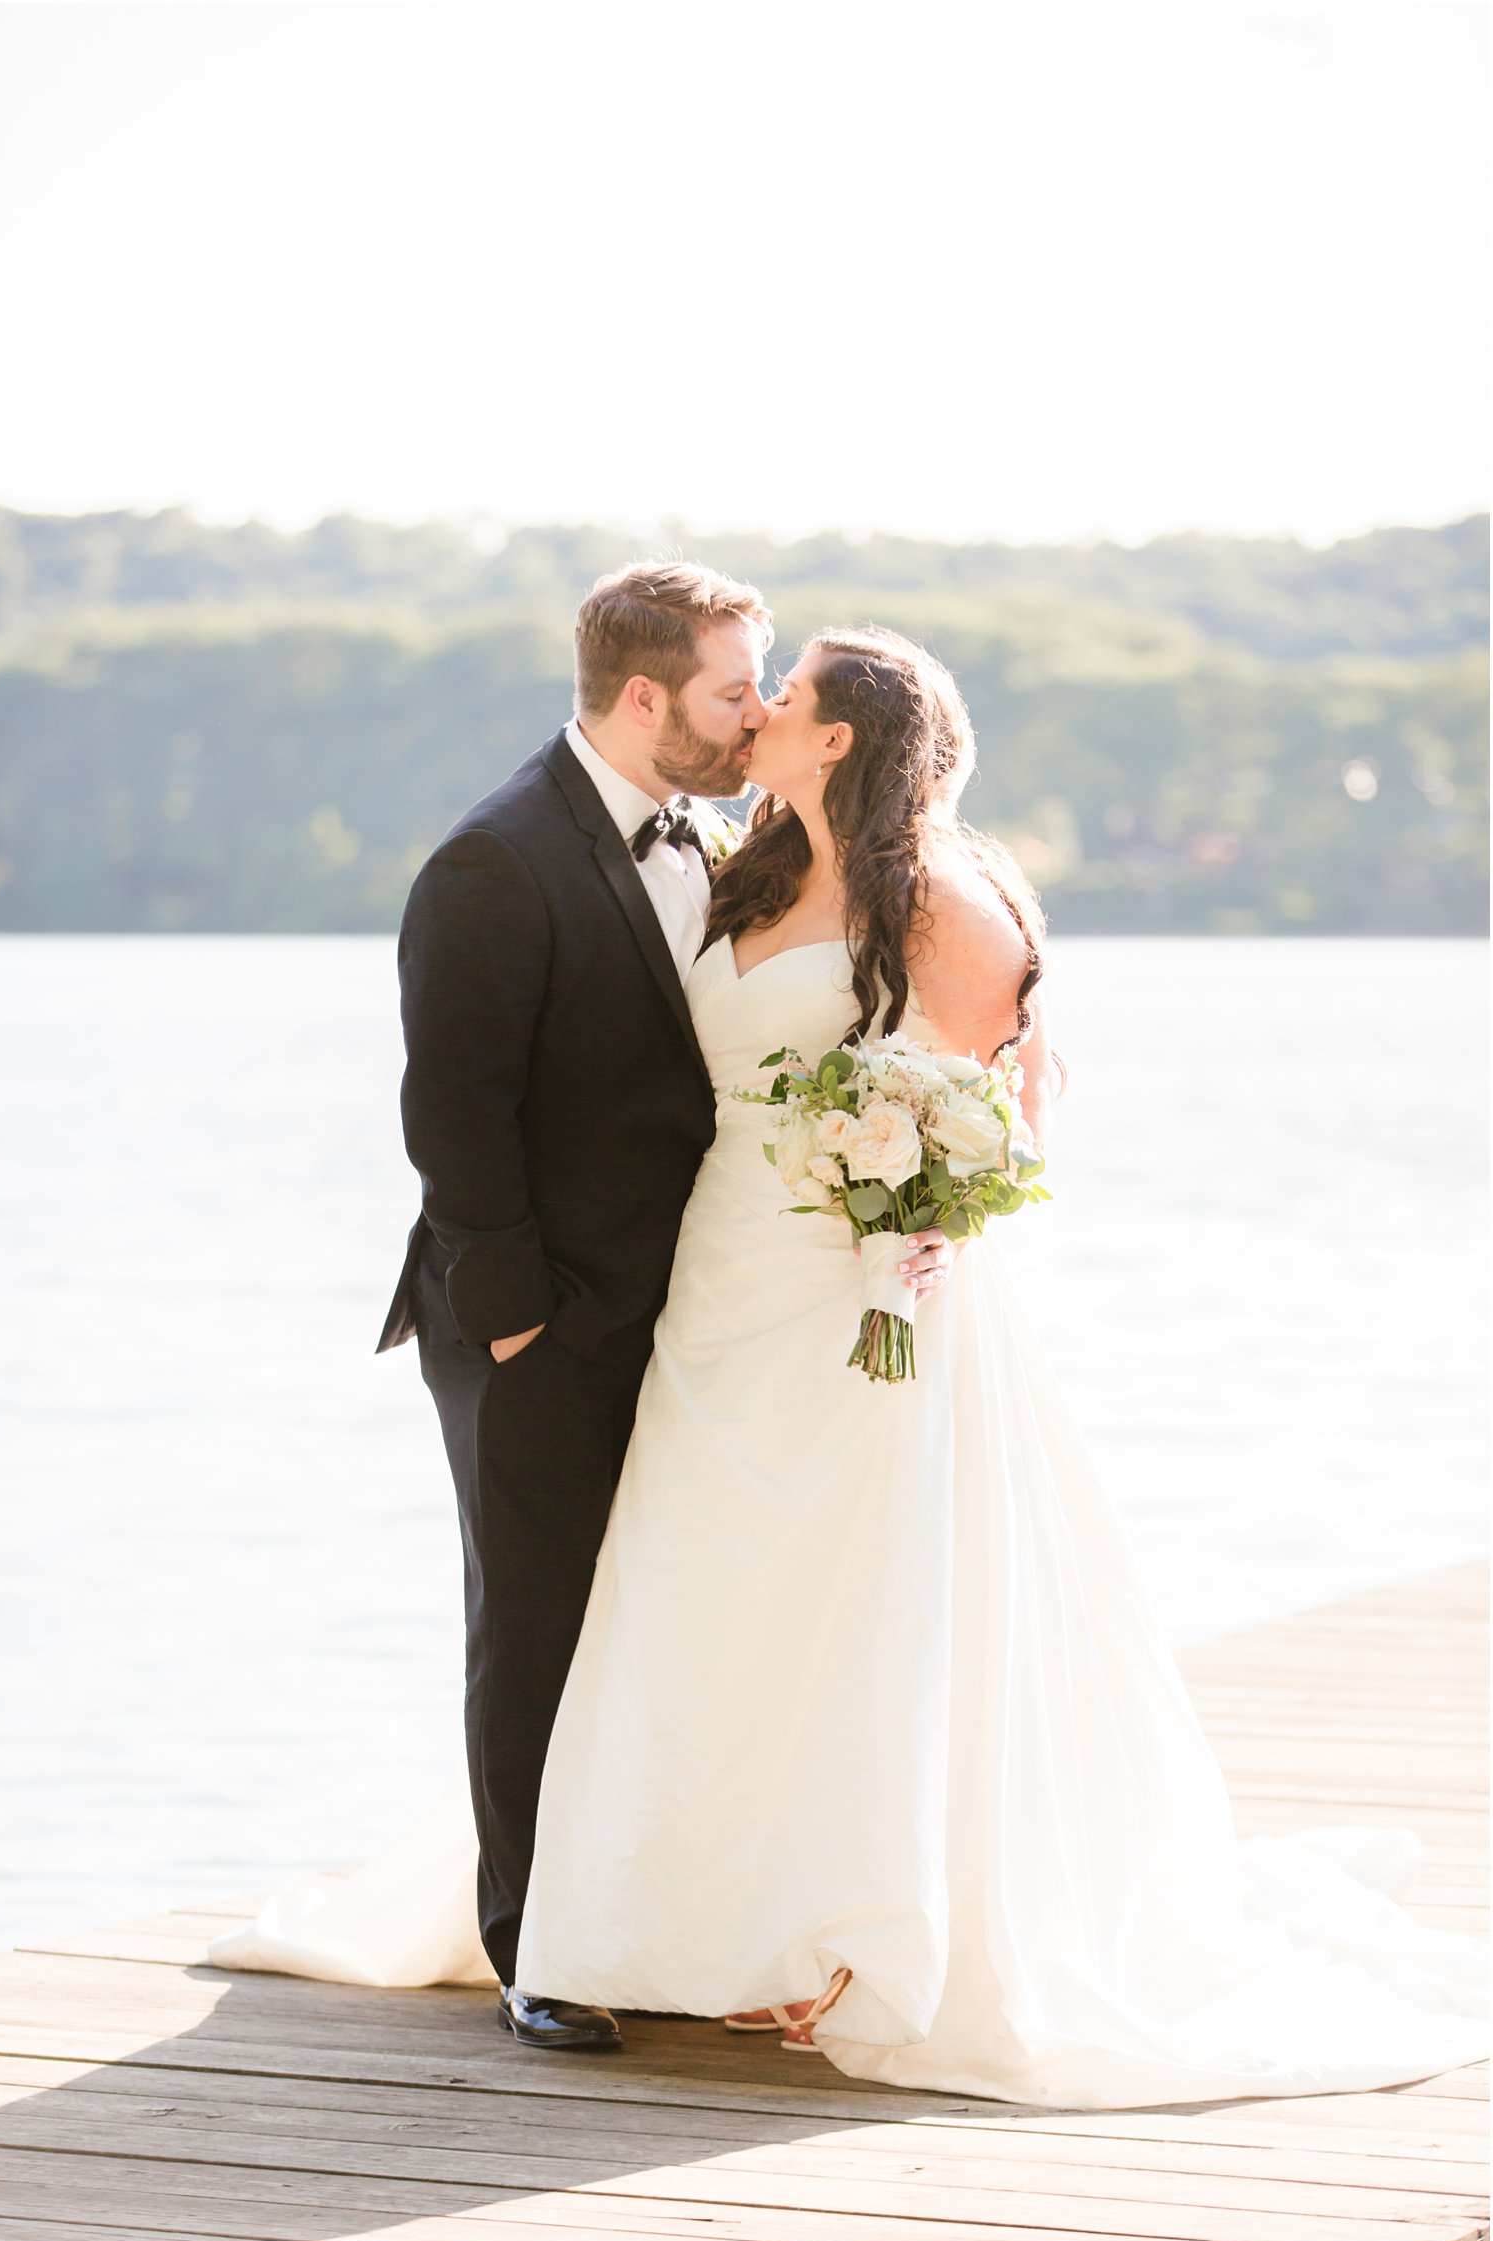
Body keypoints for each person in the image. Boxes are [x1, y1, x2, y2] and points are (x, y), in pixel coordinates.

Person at [212, 624, 1486, 2106]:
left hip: (854, 1295)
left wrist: (931, 1208)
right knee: (694, 1593)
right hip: (714, 1289)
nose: (760, 707)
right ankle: (680, 1919)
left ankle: (847, 1926)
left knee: (858, 1603)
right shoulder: (741, 862)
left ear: (837, 741)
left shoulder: (940, 891)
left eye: (788, 693)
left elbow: (1011, 1098)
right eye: (751, 685)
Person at [290, 563, 954, 2053]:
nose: (756, 713)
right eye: (736, 688)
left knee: (658, 1616)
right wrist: (516, 1315)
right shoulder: (493, 860)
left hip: (700, 1314)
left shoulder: (723, 836)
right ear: (645, 696)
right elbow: (452, 1110)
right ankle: (538, 1947)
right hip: (534, 1320)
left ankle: (667, 1909)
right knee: (531, 1626)